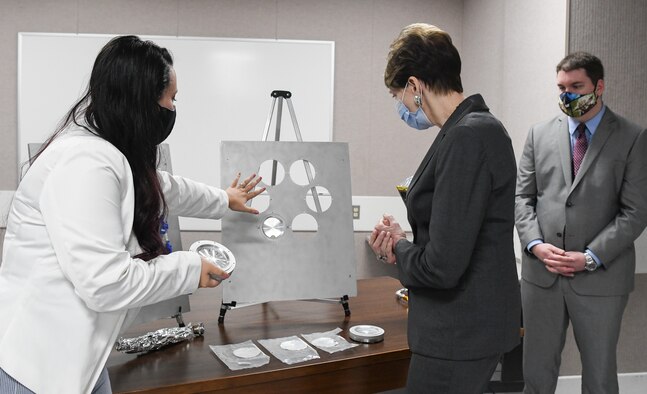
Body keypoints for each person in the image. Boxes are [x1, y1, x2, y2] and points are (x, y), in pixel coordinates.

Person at [0, 35, 264, 394]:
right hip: (36, 368)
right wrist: (190, 269)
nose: (173, 109)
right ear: (140, 101)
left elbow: (165, 187)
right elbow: (105, 283)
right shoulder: (86, 164)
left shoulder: (108, 153)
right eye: (170, 98)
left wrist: (224, 200)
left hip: (76, 358)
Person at [369, 23, 521, 393]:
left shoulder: (467, 136)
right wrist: (406, 238)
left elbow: (442, 267)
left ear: (415, 86)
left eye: (397, 95)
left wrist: (398, 250)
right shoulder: (476, 128)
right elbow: (456, 232)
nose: (401, 107)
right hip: (469, 327)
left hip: (457, 332)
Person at [515, 52, 647, 393]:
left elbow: (635, 212)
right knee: (535, 375)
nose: (567, 95)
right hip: (541, 277)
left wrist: (588, 256)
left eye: (577, 86)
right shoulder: (538, 134)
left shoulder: (632, 137)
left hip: (601, 278)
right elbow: (522, 198)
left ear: (598, 86)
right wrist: (536, 245)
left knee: (600, 378)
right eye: (561, 87)